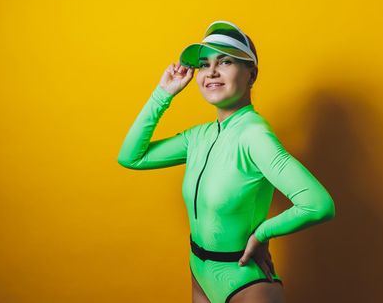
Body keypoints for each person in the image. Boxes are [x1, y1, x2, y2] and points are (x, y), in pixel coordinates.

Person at [117, 20, 336, 303]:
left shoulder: (254, 136)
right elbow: (131, 157)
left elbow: (318, 204)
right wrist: (163, 94)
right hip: (199, 271)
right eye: (204, 65)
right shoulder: (198, 137)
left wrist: (262, 233)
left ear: (251, 74)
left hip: (245, 283)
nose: (211, 72)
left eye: (226, 62)